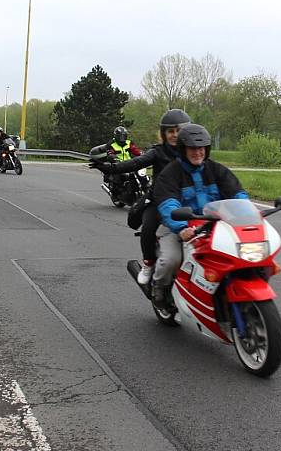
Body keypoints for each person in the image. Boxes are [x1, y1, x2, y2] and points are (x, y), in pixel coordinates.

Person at [150, 123, 249, 309]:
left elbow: (237, 192)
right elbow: (168, 204)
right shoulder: (170, 174)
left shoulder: (217, 170)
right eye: (192, 148)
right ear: (183, 149)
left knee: (238, 256)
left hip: (214, 227)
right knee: (171, 259)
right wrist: (181, 228)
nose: (198, 152)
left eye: (201, 148)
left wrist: (247, 212)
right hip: (178, 227)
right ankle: (159, 288)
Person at [93, 109, 191, 285]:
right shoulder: (158, 152)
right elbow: (134, 163)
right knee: (148, 227)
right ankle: (148, 264)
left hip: (186, 201)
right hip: (158, 199)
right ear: (164, 133)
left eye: (179, 130)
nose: (175, 135)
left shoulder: (193, 151)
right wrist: (107, 168)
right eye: (170, 131)